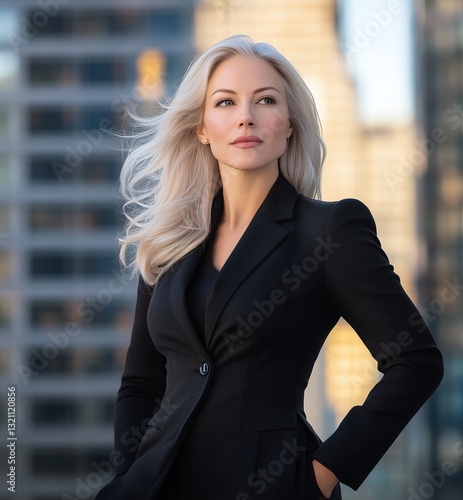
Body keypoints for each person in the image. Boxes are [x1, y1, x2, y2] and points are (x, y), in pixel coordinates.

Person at [96, 35, 443, 500]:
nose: (246, 116)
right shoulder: (168, 241)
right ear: (201, 127)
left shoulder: (329, 230)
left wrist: (318, 476)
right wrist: (129, 474)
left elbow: (415, 360)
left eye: (265, 100)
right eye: (225, 102)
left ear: (290, 125)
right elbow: (140, 384)